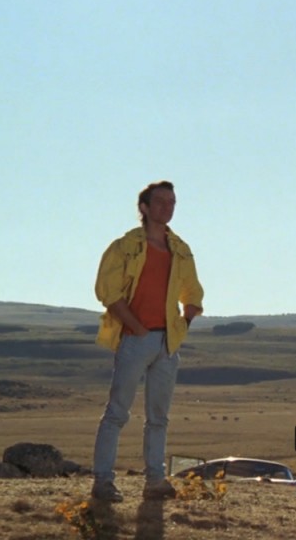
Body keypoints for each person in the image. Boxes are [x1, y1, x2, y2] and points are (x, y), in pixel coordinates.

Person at [90, 180, 204, 502]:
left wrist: (185, 321)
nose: (167, 208)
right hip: (135, 340)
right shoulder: (125, 246)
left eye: (172, 202)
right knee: (117, 413)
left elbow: (193, 291)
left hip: (167, 343)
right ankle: (102, 482)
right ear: (144, 207)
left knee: (159, 418)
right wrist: (135, 327)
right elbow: (107, 291)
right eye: (161, 202)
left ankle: (155, 481)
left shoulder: (180, 249)